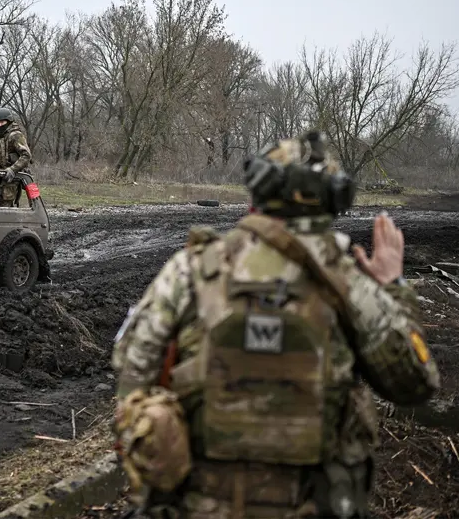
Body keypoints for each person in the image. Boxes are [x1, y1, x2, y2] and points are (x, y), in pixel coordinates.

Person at [111, 131, 440, 519]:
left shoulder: (191, 269)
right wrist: (393, 287)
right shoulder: (349, 284)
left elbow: (131, 366)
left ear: (256, 195)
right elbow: (415, 383)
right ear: (332, 201)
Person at [0, 108, 32, 207]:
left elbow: (26, 155)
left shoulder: (15, 135)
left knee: (3, 209)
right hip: (2, 178)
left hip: (13, 178)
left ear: (9, 121)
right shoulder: (0, 138)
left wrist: (13, 169)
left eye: (2, 122)